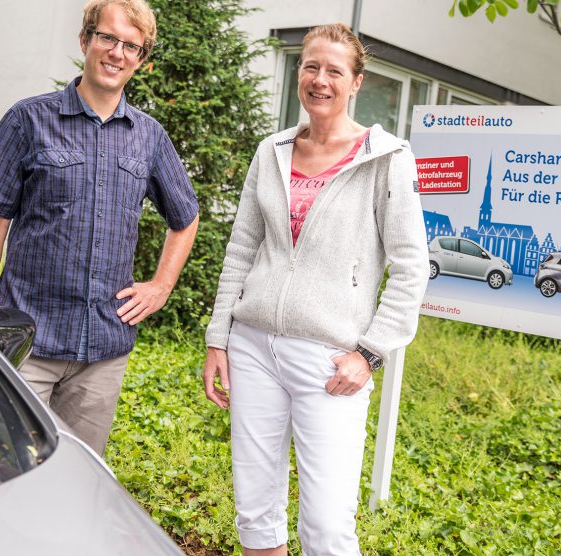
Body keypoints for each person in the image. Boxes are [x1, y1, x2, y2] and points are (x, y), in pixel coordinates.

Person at [201, 23, 428, 556]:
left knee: (327, 527)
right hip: (253, 347)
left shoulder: (386, 159)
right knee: (255, 510)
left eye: (333, 70)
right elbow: (241, 250)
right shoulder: (272, 151)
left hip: (331, 362)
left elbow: (412, 265)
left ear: (356, 82)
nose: (319, 79)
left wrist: (369, 354)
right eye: (310, 67)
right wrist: (219, 336)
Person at [0, 0, 198, 457]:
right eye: (108, 38)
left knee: (79, 478)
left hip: (102, 354)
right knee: (8, 471)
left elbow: (185, 218)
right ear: (86, 40)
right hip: (27, 344)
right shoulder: (28, 119)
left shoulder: (149, 137)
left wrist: (161, 286)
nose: (117, 53)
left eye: (131, 46)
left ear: (141, 59)